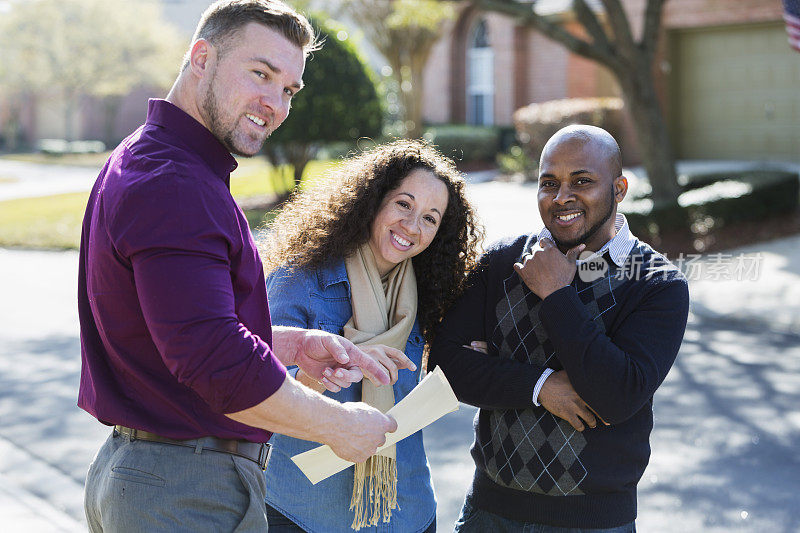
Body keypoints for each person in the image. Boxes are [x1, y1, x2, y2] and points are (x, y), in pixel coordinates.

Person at [78, 2, 399, 531]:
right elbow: (212, 360)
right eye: (261, 74)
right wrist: (338, 425)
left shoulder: (153, 158)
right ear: (201, 57)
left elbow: (174, 328)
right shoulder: (175, 181)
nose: (274, 103)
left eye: (289, 89)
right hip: (185, 490)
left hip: (159, 480)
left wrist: (285, 344)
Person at [430, 125, 690, 532]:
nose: (561, 197)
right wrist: (542, 386)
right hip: (489, 514)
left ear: (619, 189)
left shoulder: (658, 284)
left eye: (582, 181)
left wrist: (555, 294)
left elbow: (617, 396)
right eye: (548, 183)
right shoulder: (501, 262)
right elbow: (445, 366)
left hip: (594, 523)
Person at [257, 140, 483, 532]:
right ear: (374, 200)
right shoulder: (299, 280)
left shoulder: (429, 296)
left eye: (430, 218)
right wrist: (321, 373)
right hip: (307, 515)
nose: (412, 227)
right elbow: (257, 394)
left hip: (407, 511)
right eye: (404, 204)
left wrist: (472, 356)